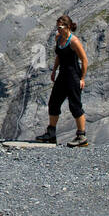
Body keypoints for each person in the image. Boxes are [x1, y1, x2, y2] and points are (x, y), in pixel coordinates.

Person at [38, 14, 89, 146]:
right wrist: (54, 70)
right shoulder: (58, 38)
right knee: (53, 102)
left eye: (60, 26)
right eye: (57, 26)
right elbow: (59, 56)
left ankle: (81, 136)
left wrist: (82, 78)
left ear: (67, 27)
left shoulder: (74, 42)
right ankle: (51, 133)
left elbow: (84, 60)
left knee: (75, 105)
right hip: (62, 75)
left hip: (73, 77)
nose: (58, 29)